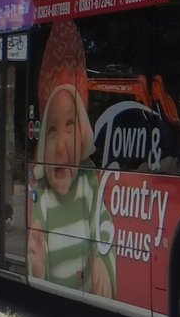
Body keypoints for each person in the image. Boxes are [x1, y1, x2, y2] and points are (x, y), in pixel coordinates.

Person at [28, 20, 117, 299]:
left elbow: (104, 232)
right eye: (52, 130)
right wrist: (37, 258)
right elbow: (35, 245)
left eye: (71, 125)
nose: (62, 144)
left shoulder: (90, 185)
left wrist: (103, 262)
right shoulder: (43, 199)